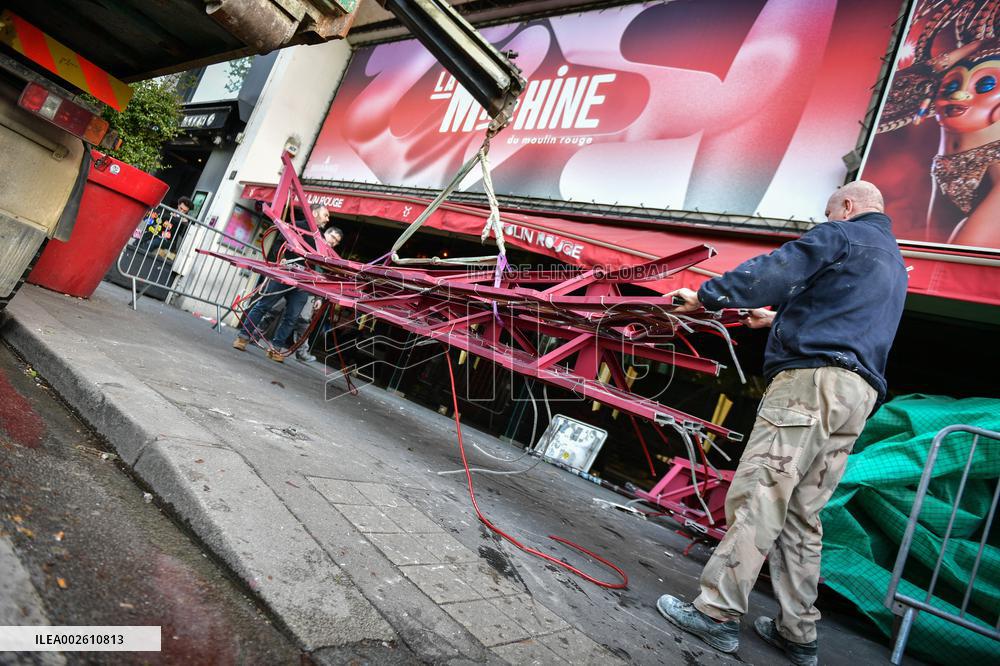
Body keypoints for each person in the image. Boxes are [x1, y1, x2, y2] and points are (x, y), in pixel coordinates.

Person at [657, 181, 907, 666]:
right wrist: (775, 320)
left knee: (761, 493)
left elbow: (778, 268)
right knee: (802, 514)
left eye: (832, 212)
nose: (829, 219)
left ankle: (716, 614)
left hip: (811, 384)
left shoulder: (844, 235)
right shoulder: (892, 262)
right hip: (856, 395)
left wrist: (709, 297)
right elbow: (845, 316)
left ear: (848, 207)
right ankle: (798, 634)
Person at [231, 204, 332, 361]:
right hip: (286, 272)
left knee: (292, 316)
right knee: (263, 305)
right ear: (314, 213)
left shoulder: (321, 237)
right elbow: (278, 243)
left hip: (303, 280)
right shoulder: (296, 226)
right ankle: (243, 337)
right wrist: (280, 259)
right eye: (325, 215)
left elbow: (320, 263)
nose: (328, 218)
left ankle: (275, 349)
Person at [256, 224, 343, 363]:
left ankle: (301, 351)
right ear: (326, 233)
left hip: (307, 290)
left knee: (303, 321)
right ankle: (255, 334)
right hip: (290, 281)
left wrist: (319, 297)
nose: (334, 242)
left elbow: (324, 278)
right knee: (272, 310)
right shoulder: (310, 242)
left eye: (337, 241)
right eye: (333, 237)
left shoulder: (329, 255)